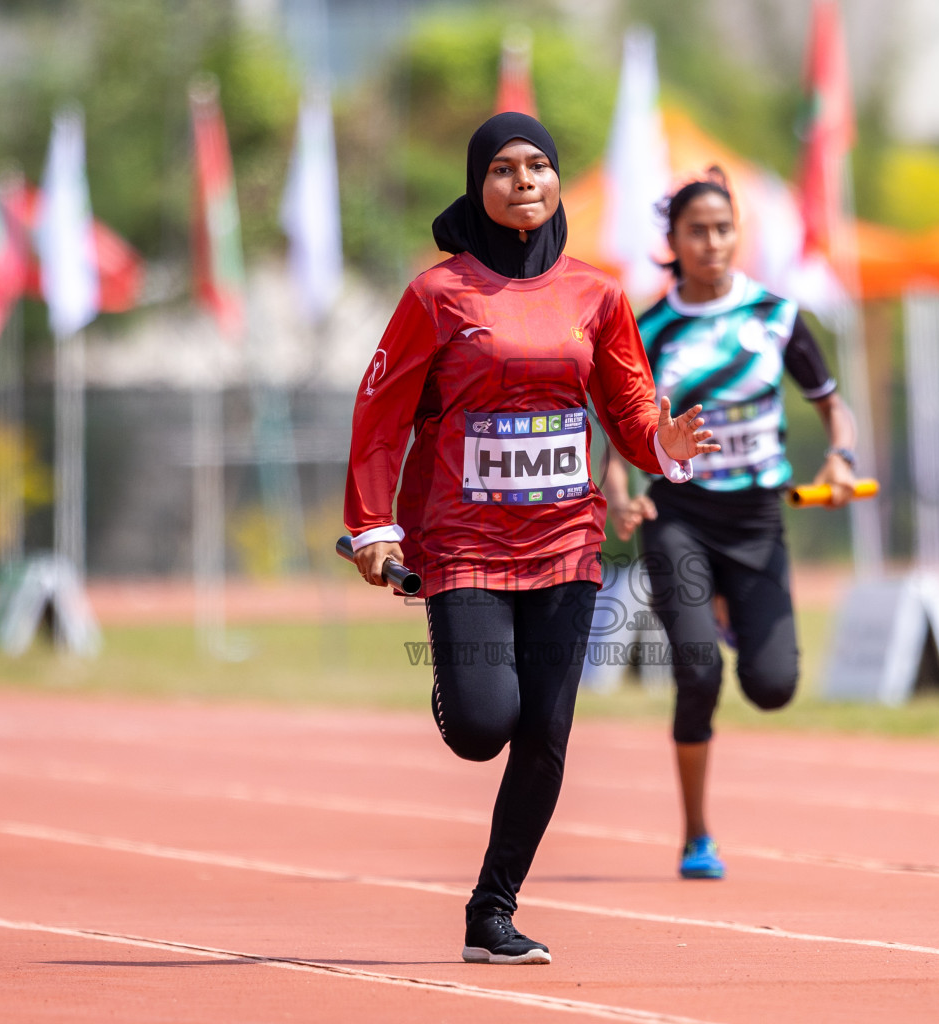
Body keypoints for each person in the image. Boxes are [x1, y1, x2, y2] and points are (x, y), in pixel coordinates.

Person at [344, 113, 718, 965]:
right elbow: (381, 414)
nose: (525, 182)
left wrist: (665, 445)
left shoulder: (598, 294)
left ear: (556, 184)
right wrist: (372, 523)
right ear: (479, 185)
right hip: (465, 541)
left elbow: (629, 412)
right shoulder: (437, 295)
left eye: (540, 167)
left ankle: (492, 911)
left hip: (565, 543)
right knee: (484, 726)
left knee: (547, 731)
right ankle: (456, 689)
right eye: (506, 169)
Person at [600, 169, 860, 880]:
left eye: (723, 229)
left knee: (773, 687)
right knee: (698, 672)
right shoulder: (648, 328)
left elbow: (834, 408)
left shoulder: (777, 316)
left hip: (757, 520)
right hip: (678, 517)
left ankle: (731, 609)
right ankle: (696, 834)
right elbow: (617, 432)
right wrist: (620, 493)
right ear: (673, 242)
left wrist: (840, 457)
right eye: (697, 231)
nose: (713, 243)